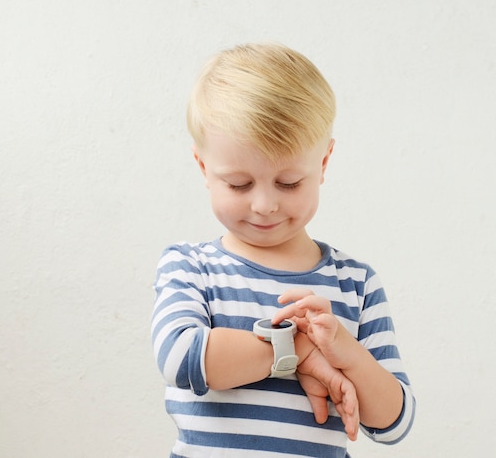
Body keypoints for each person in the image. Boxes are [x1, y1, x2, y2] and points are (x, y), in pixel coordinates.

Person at [151, 43, 415, 457]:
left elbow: (393, 422)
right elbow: (182, 358)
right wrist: (301, 350)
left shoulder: (355, 283)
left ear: (324, 163)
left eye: (289, 182)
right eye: (239, 184)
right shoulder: (191, 266)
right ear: (203, 167)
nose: (264, 204)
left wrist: (345, 352)